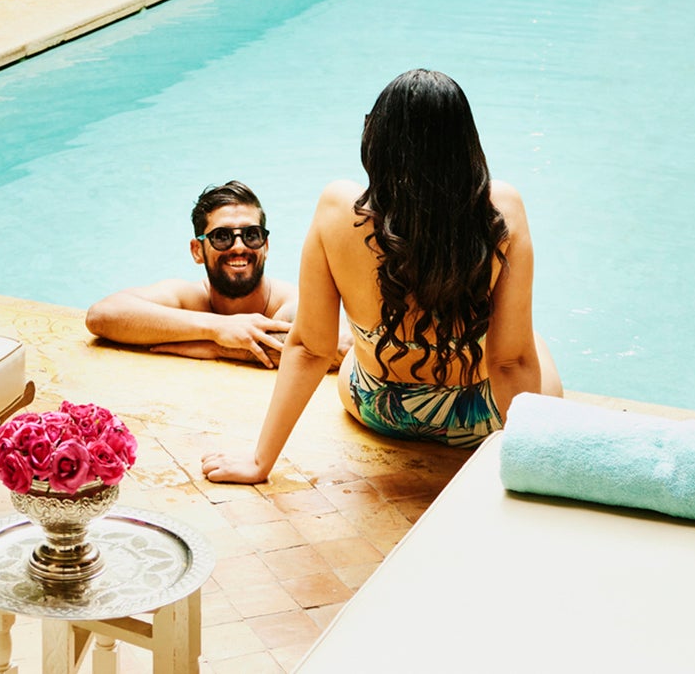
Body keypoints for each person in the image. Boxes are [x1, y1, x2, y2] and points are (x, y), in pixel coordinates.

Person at [201, 70, 562, 484]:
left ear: (377, 141)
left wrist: (259, 462)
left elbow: (308, 347)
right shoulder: (502, 210)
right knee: (529, 342)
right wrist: (534, 475)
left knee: (356, 343)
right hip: (481, 419)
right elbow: (510, 362)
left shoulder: (338, 210)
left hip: (379, 407)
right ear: (465, 145)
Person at [85, 181, 298, 368]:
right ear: (197, 250)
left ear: (266, 246)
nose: (239, 246)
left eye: (251, 235)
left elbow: (322, 347)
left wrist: (218, 348)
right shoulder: (188, 297)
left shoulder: (288, 301)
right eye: (221, 236)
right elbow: (101, 316)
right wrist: (218, 327)